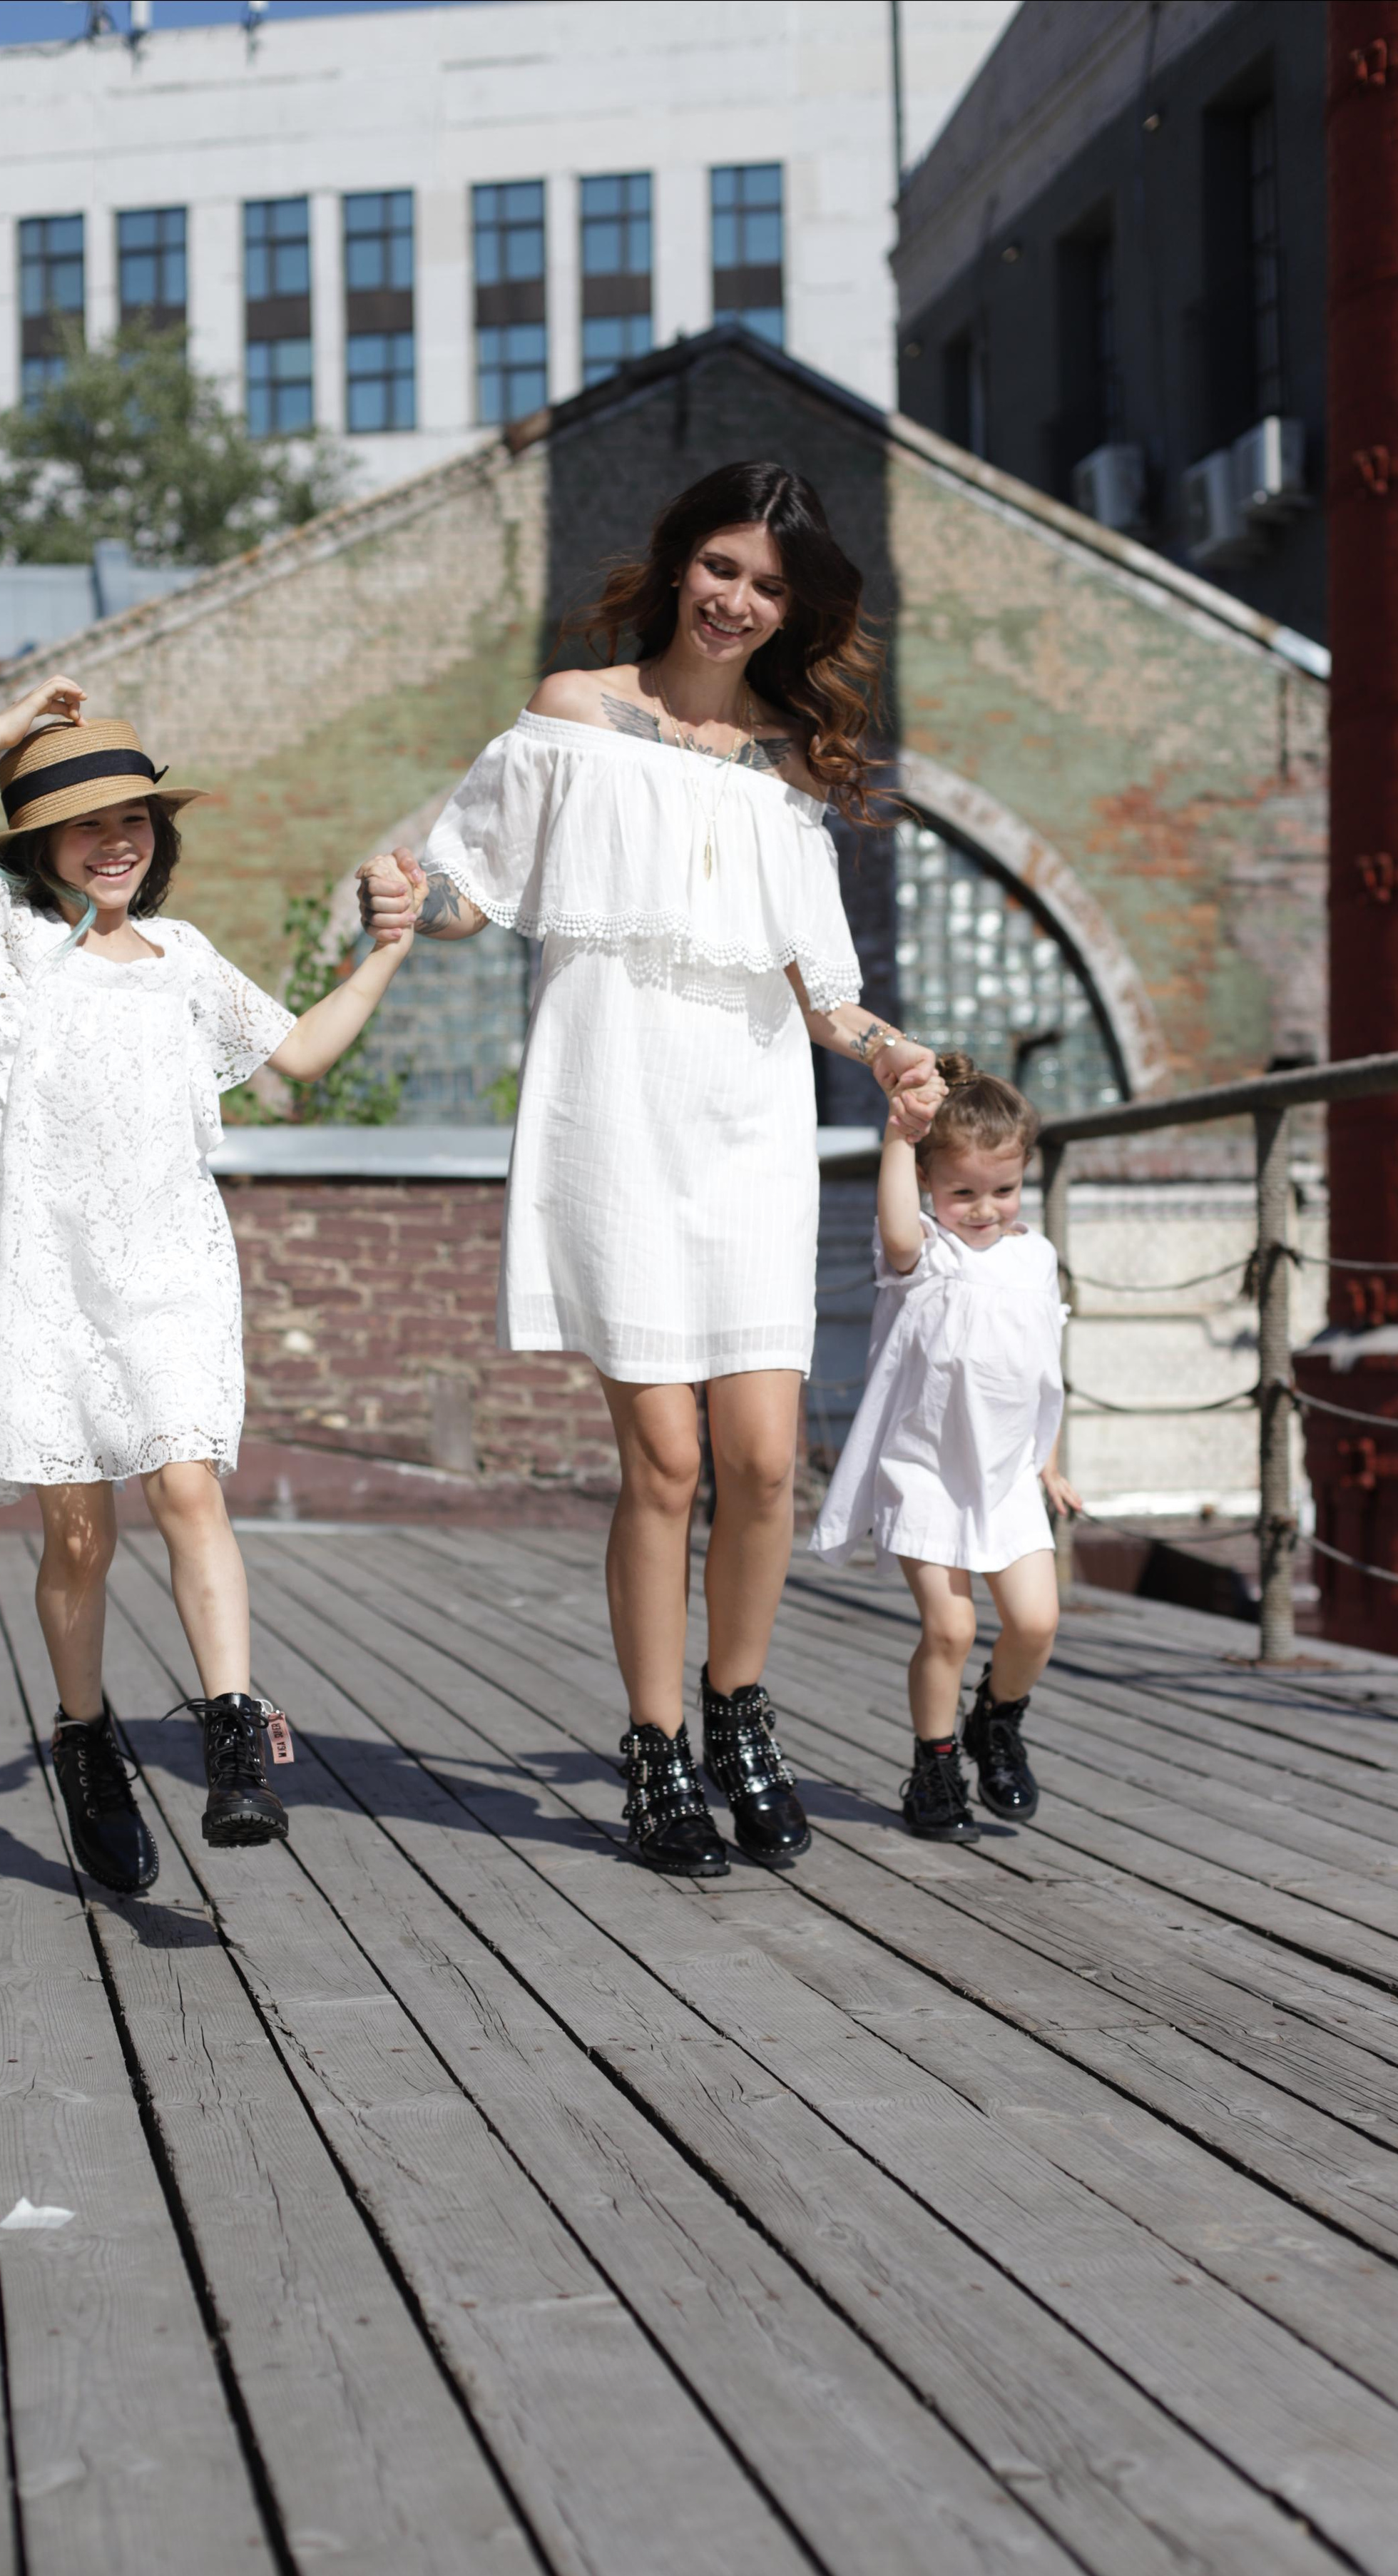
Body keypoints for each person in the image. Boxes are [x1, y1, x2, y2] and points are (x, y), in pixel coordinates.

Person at [357, 462, 941, 1877]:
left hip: (746, 1127)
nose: (738, 601)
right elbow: (469, 888)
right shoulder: (570, 713)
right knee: (665, 1462)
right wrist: (400, 894)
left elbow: (817, 995)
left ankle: (739, 1715)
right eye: (722, 569)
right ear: (679, 565)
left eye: (768, 586)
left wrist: (888, 1051)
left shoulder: (791, 771)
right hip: (610, 1115)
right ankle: (654, 1745)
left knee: (756, 1461)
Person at [0, 676, 410, 1895]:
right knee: (80, 1537)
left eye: (135, 820)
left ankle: (233, 1740)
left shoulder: (188, 959)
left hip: (168, 1261)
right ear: (41, 843)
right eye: (85, 824)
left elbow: (302, 1057)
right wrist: (3, 734)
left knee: (188, 1487)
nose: (116, 842)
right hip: (42, 1271)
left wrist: (388, 954)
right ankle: (86, 1737)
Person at [810, 1054, 1082, 1841]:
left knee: (1035, 1622)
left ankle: (995, 1721)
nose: (984, 1210)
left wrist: (1049, 1461)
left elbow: (1041, 1371)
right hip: (923, 1469)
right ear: (931, 1185)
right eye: (962, 1192)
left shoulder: (1035, 1258)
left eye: (1003, 1190)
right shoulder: (920, 1255)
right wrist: (901, 1135)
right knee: (952, 1630)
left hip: (1003, 1475)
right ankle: (933, 1766)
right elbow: (898, 1223)